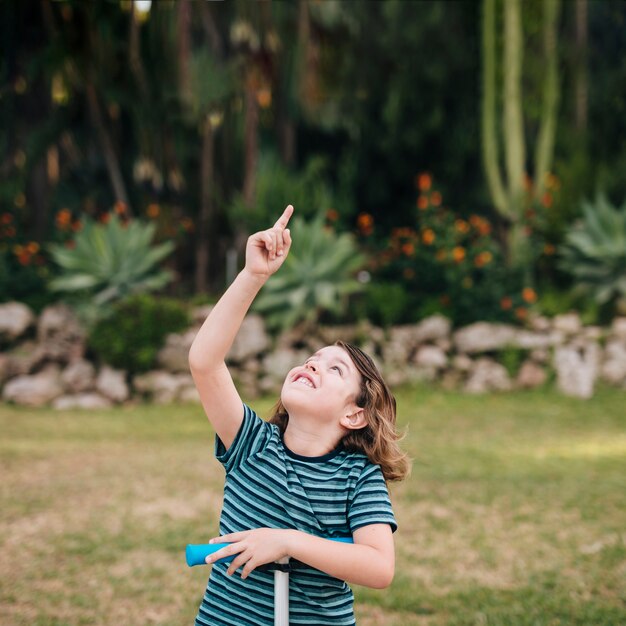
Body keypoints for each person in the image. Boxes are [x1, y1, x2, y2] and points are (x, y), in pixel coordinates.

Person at [188, 205, 410, 626]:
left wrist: (287, 541)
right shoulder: (251, 445)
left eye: (334, 369)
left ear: (355, 415)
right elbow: (204, 361)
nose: (313, 365)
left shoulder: (357, 478)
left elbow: (379, 568)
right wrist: (253, 276)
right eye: (312, 359)